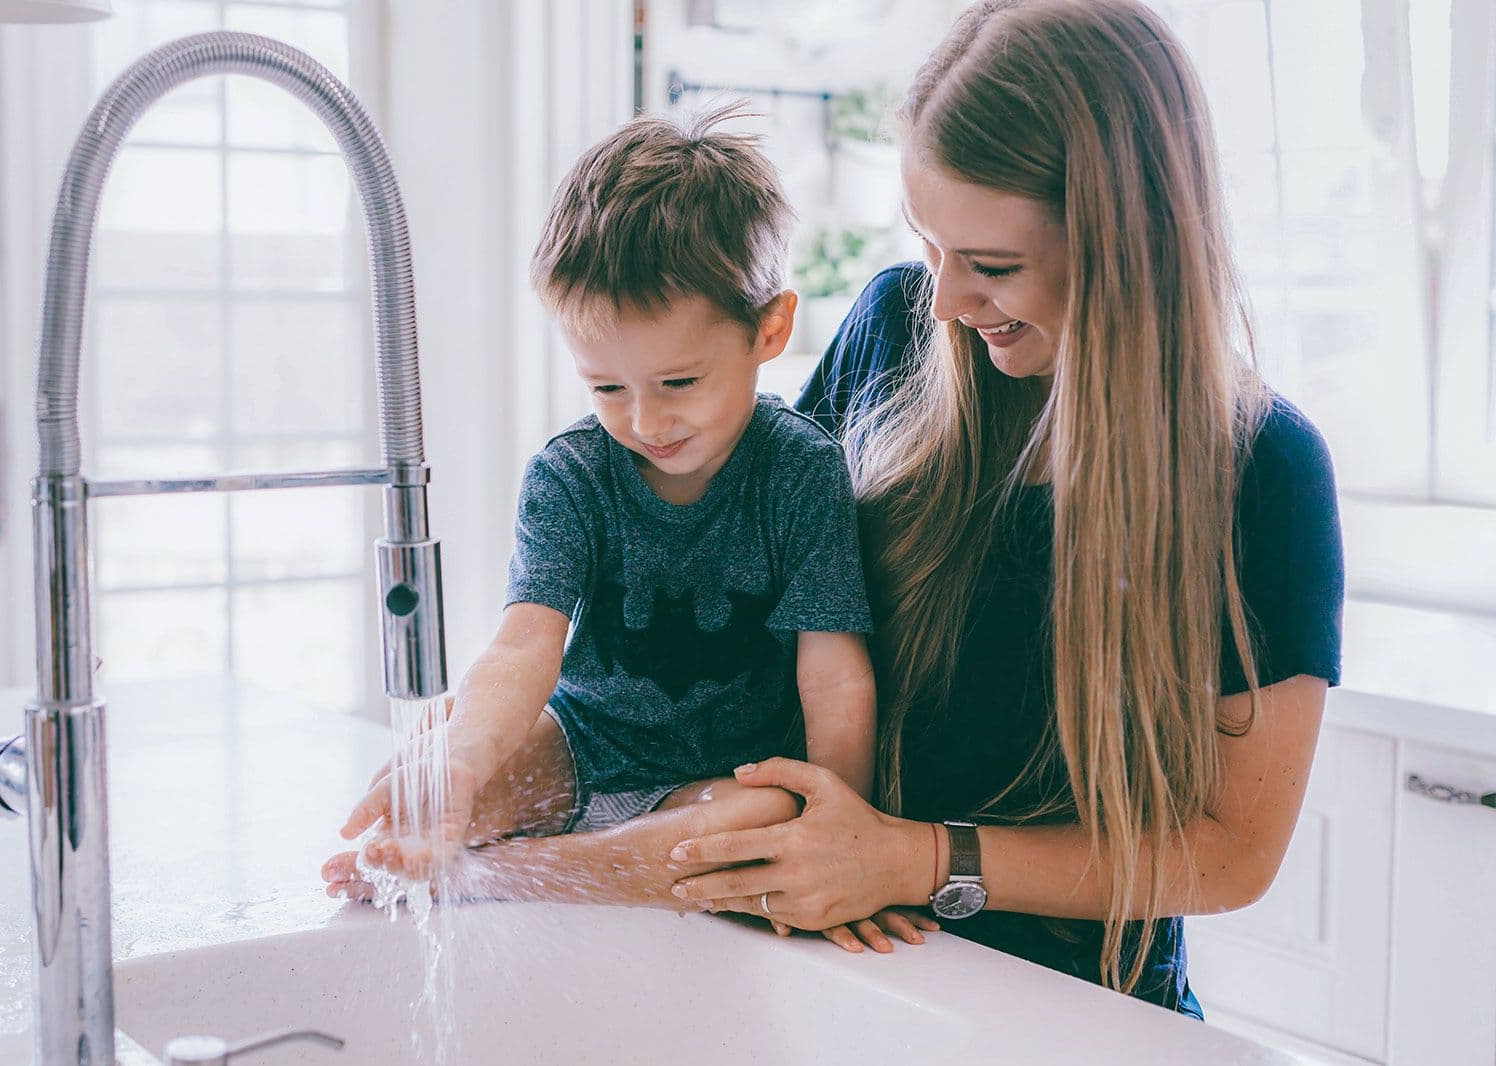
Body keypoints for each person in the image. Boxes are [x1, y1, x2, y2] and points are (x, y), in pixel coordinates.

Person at [663, 0, 1344, 1015]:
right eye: (930, 245)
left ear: (1127, 247)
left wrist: (912, 858)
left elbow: (1228, 852)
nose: (942, 299)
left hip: (1080, 1014)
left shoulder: (1261, 472)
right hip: (843, 975)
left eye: (991, 267)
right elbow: (740, 617)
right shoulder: (890, 329)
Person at [322, 104, 899, 950]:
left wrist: (839, 829)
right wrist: (464, 760)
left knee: (759, 820)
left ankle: (504, 875)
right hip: (580, 745)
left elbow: (835, 673)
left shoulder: (800, 471)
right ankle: (460, 847)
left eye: (678, 381)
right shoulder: (571, 474)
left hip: (717, 779)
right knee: (443, 780)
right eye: (607, 388)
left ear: (768, 330)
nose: (645, 420)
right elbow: (524, 648)